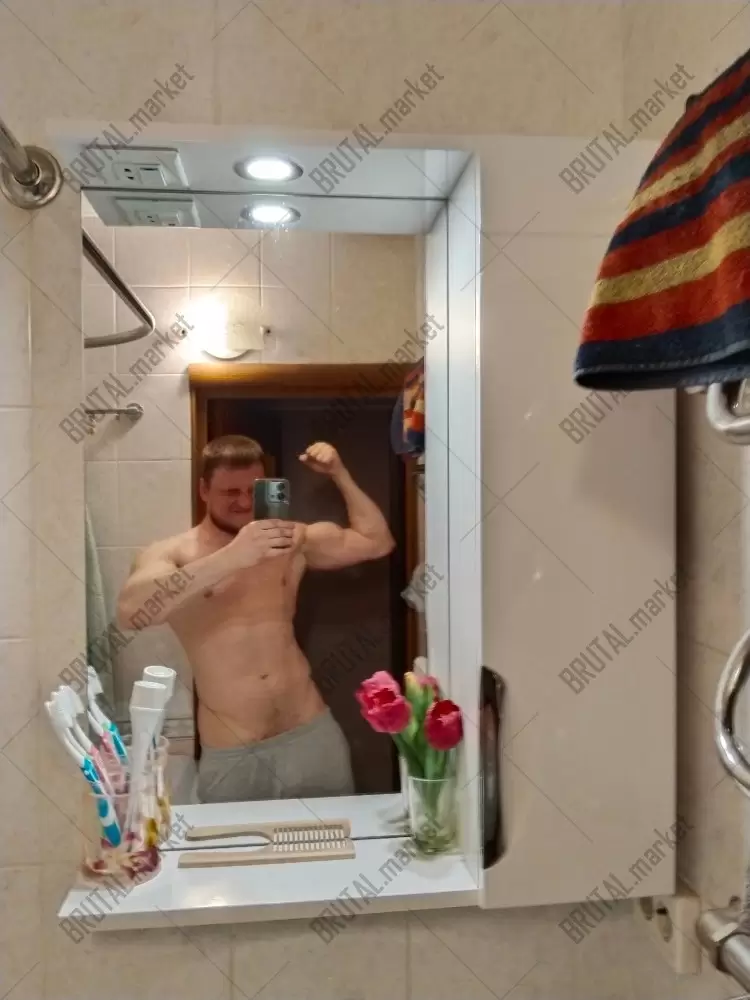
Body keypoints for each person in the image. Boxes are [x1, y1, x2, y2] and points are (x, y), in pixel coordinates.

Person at [116, 435, 395, 803]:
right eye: (230, 492)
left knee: (331, 837)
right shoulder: (175, 553)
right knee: (237, 843)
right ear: (203, 490)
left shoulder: (291, 540)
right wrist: (234, 556)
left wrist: (339, 473)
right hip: (233, 753)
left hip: (311, 736)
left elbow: (376, 541)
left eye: (253, 490)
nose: (245, 502)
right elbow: (131, 613)